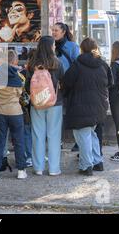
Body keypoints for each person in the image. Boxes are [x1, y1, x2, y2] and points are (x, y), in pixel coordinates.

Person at [63, 38, 112, 176]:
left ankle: (86, 166)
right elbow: (110, 82)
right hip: (99, 105)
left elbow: (67, 82)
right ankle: (97, 161)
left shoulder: (77, 64)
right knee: (92, 134)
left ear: (82, 49)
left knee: (82, 135)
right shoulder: (103, 64)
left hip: (80, 105)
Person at [0, 50, 27, 180]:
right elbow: (22, 91)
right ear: (15, 61)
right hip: (15, 112)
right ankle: (21, 170)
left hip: (0, 112)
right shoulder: (19, 76)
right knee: (19, 141)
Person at [25, 37, 64, 176]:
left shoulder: (32, 64)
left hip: (37, 103)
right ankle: (54, 169)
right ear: (51, 47)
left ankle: (38, 168)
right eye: (53, 45)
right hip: (55, 103)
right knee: (54, 135)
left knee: (37, 134)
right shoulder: (57, 63)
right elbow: (63, 82)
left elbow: (27, 85)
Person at [52, 22, 81, 152]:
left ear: (63, 32)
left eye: (56, 30)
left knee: (73, 113)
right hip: (54, 85)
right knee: (57, 115)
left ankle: (78, 141)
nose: (53, 32)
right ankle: (58, 141)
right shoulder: (50, 46)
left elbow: (77, 65)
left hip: (69, 85)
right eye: (52, 30)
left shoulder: (72, 46)